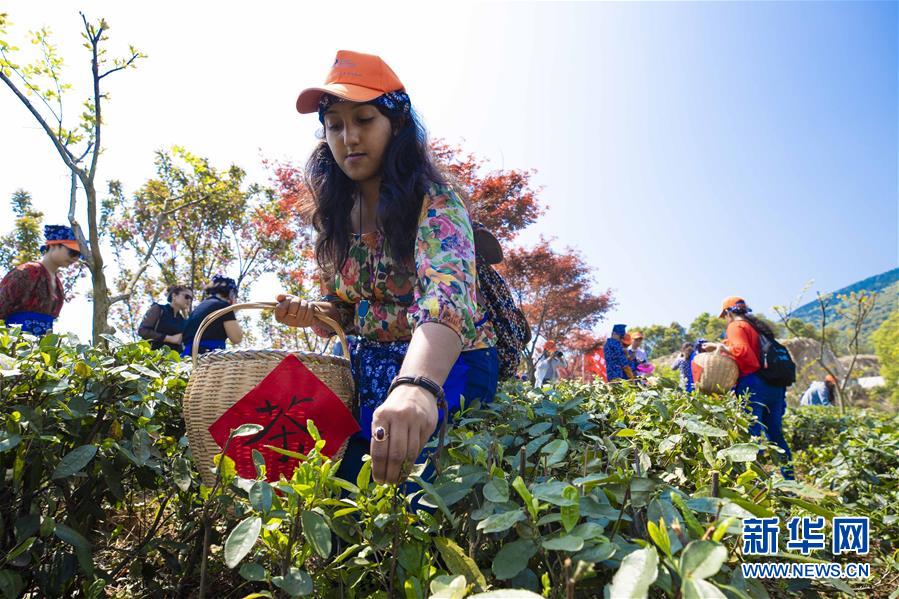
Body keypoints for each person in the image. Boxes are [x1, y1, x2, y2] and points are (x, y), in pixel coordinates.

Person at [274, 51, 499, 485]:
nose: (348, 137)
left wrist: (417, 387)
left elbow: (446, 300)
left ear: (395, 124)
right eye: (335, 125)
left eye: (363, 119)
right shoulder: (334, 217)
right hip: (367, 362)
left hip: (445, 363)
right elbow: (342, 308)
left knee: (420, 491)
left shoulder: (434, 202)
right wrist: (313, 312)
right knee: (336, 486)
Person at [710, 297, 794, 479]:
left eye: (724, 316)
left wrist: (719, 348)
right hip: (774, 386)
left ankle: (753, 482)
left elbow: (744, 353)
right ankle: (790, 481)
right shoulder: (756, 326)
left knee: (751, 436)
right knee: (775, 435)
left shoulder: (736, 326)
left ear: (728, 313)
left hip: (754, 384)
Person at [0, 225, 81, 336]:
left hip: (41, 349)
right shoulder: (26, 272)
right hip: (13, 345)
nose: (76, 258)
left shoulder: (58, 285)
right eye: (72, 252)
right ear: (53, 244)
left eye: (79, 255)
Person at [181, 275, 243, 356]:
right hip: (208, 357)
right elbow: (237, 338)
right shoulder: (223, 307)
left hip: (188, 356)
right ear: (231, 293)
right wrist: (232, 312)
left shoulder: (199, 308)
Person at [138, 285, 192, 352]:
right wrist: (168, 338)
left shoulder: (182, 320)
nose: (189, 300)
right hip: (152, 357)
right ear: (174, 296)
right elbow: (142, 331)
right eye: (186, 297)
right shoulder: (158, 309)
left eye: (191, 299)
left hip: (174, 360)